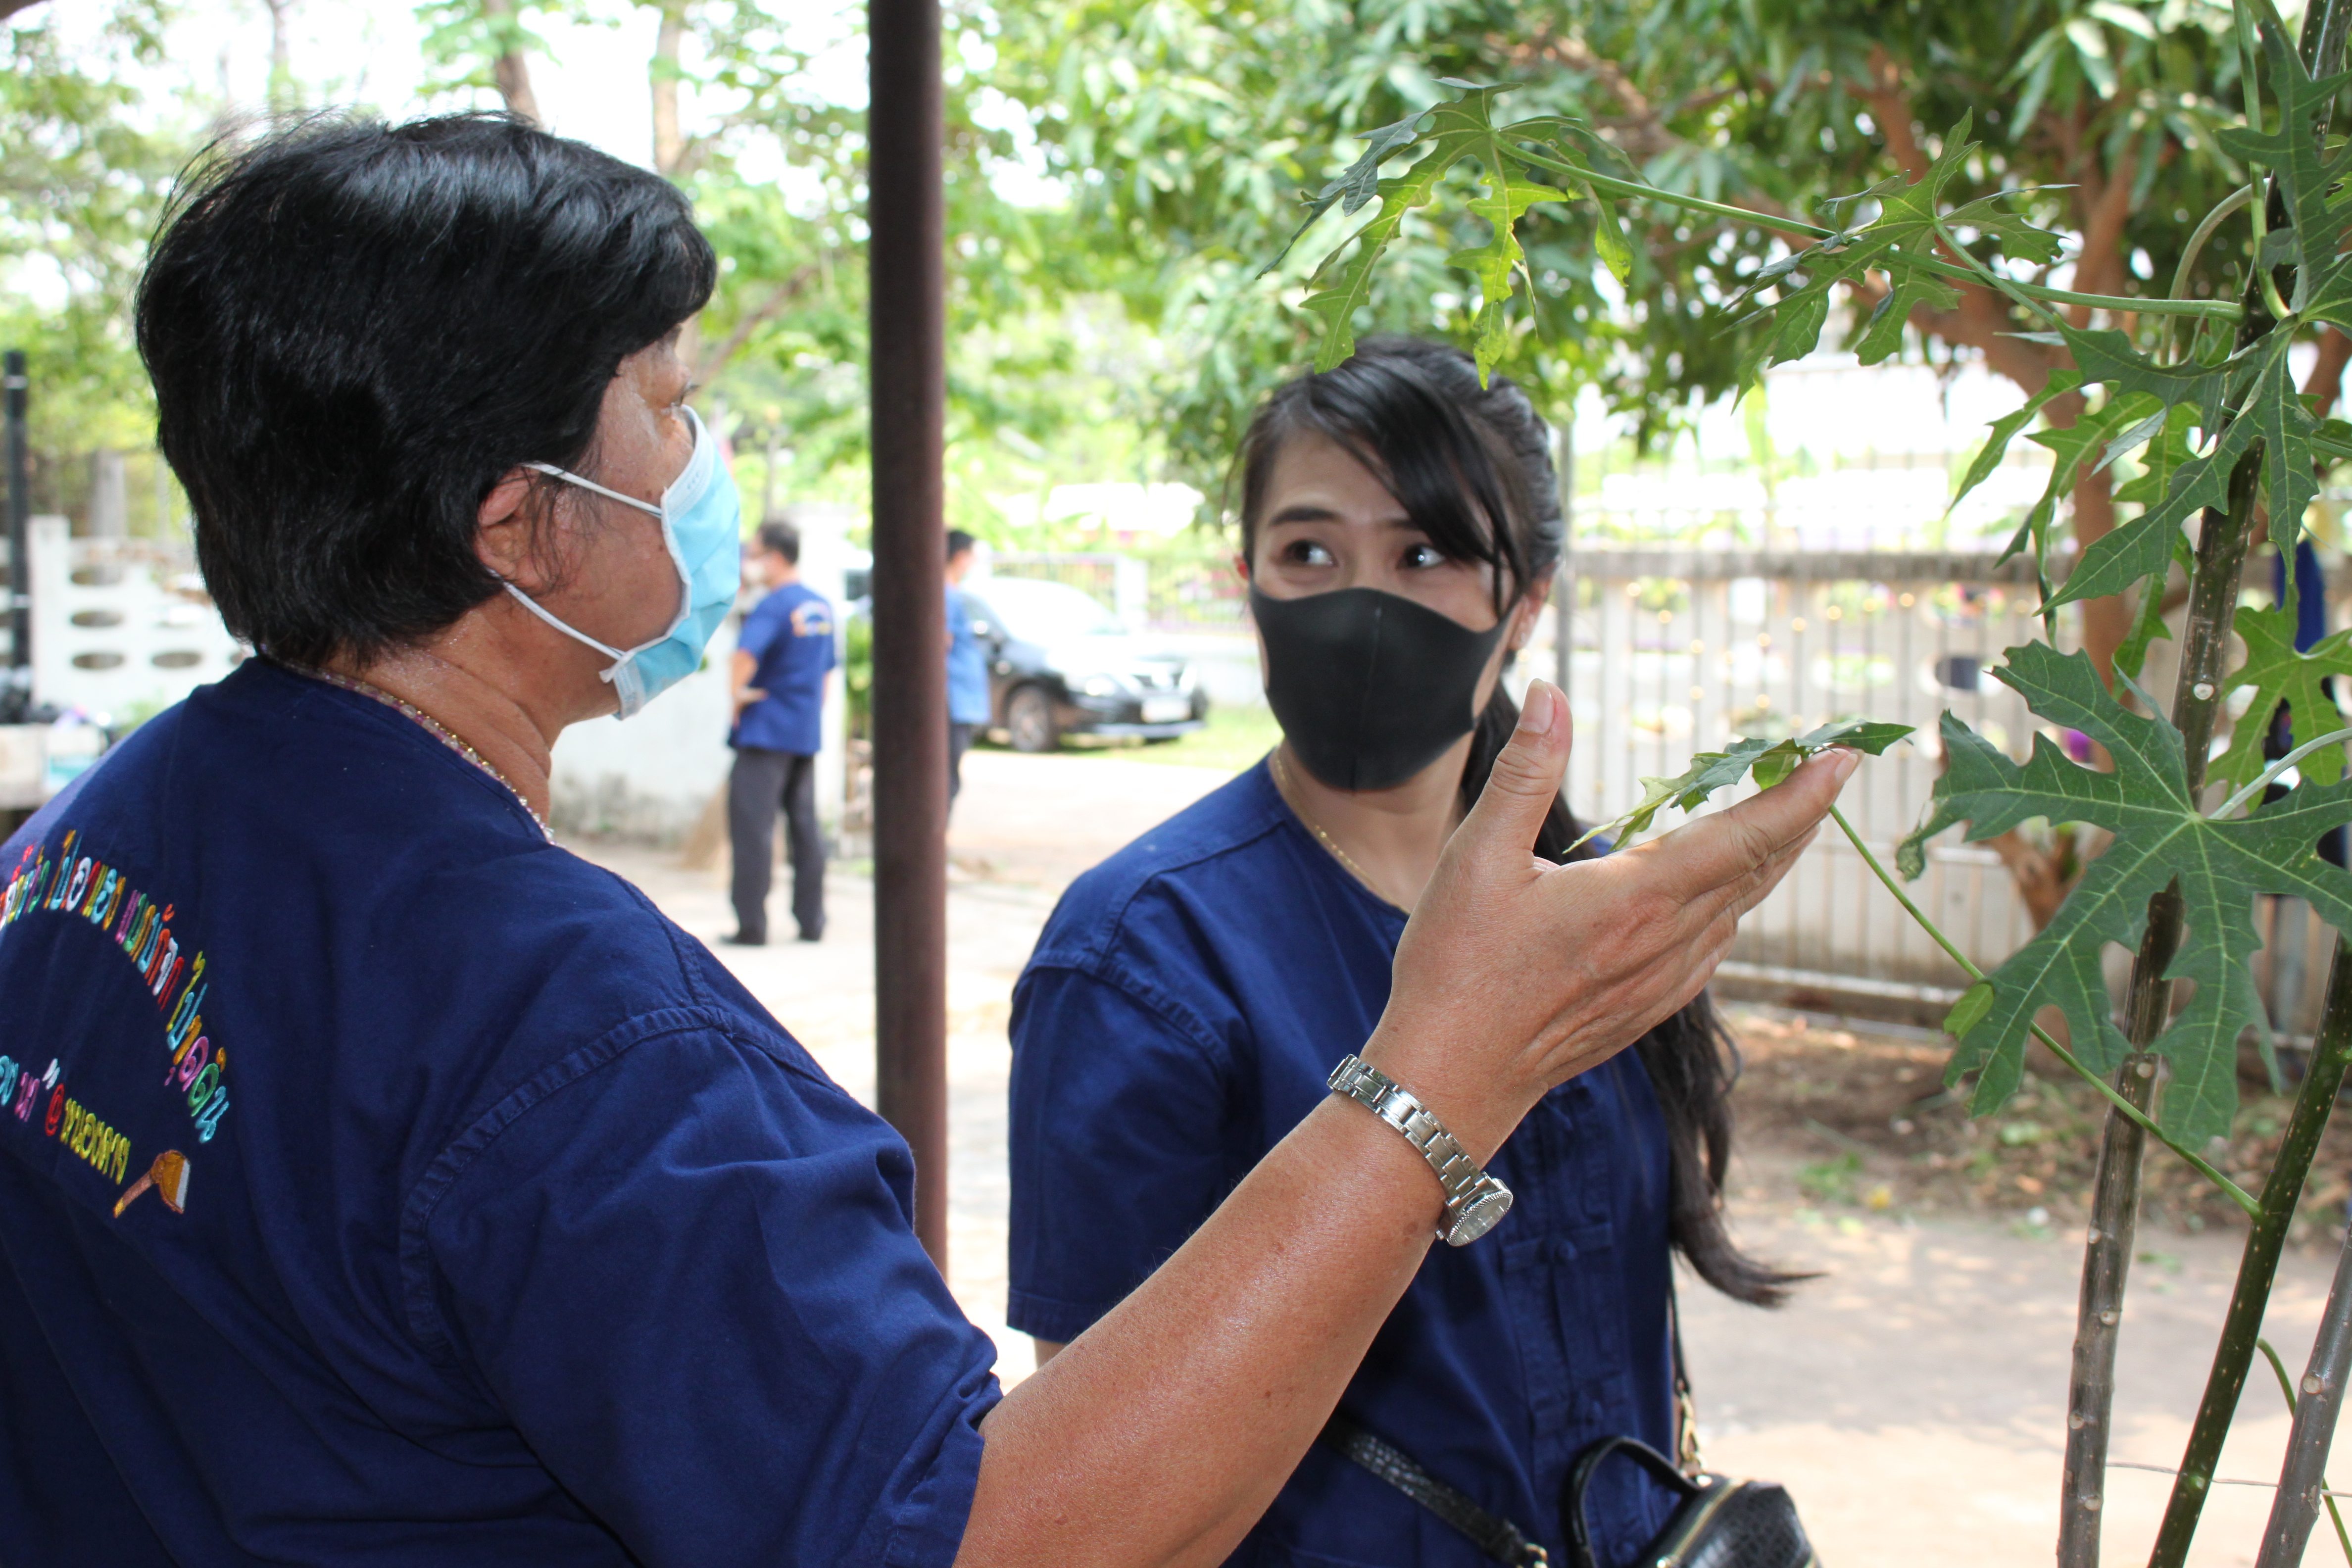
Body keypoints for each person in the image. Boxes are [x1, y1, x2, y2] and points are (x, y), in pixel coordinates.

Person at [0, 116, 1847, 1566]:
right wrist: (1441, 1078)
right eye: (670, 404)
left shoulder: (108, 829)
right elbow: (979, 1533)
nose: (705, 460)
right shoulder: (575, 1044)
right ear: (522, 525)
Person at [1009, 338, 1798, 1568]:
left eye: (1423, 554)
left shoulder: (1590, 908)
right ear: (1247, 582)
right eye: (1308, 553)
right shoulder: (1138, 954)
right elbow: (1099, 1468)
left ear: (1524, 602)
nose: (1360, 604)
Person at [726, 516, 834, 945]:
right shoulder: (820, 606)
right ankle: (812, 922)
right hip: (802, 733)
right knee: (805, 828)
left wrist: (737, 697)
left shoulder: (773, 605)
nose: (750, 564)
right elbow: (826, 675)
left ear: (774, 558)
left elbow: (744, 656)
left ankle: (752, 926)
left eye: (754, 555)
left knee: (753, 830)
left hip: (765, 731)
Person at [944, 528, 989, 808]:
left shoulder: (952, 593)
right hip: (952, 699)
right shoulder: (945, 596)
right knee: (946, 780)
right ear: (960, 557)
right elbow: (942, 642)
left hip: (959, 699)